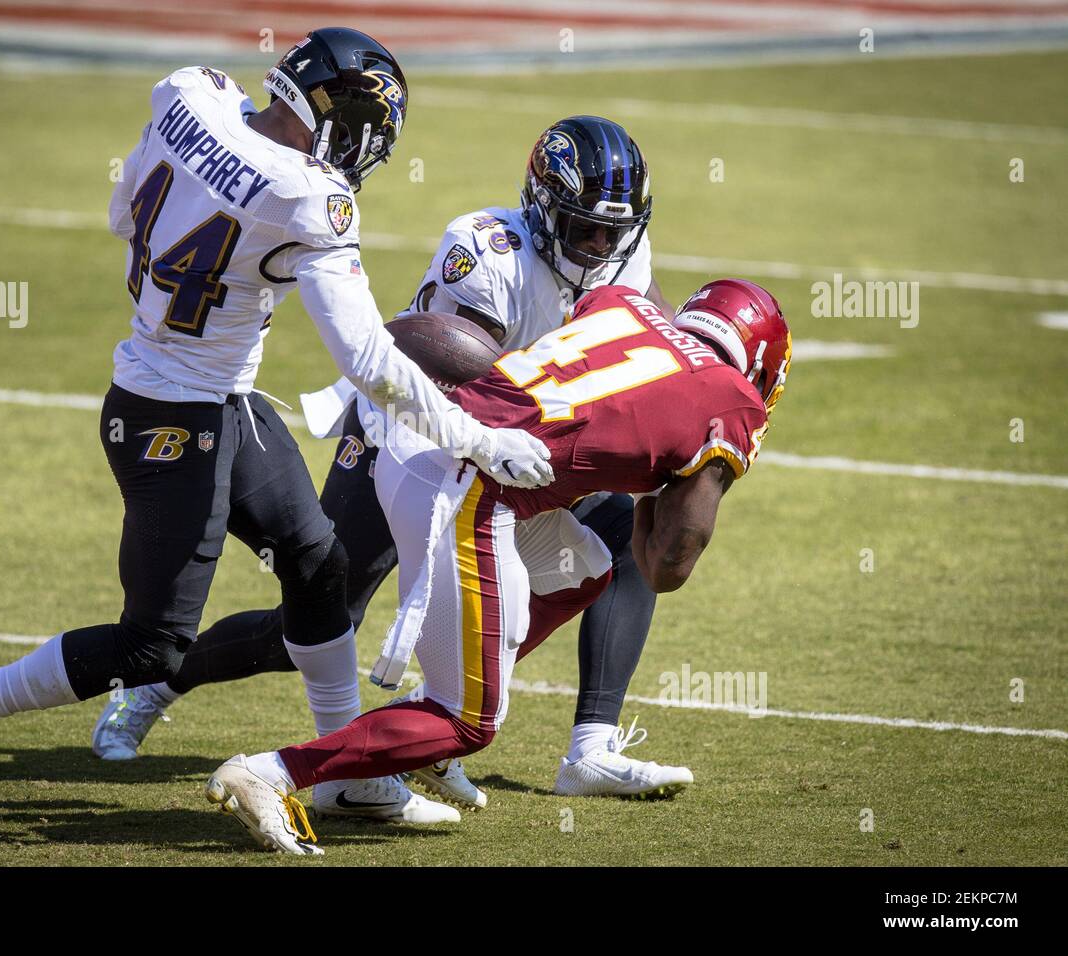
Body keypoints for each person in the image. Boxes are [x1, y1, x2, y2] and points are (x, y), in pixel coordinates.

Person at [0, 27, 555, 828]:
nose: (368, 155)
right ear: (337, 116)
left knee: (318, 563)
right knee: (149, 646)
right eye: (369, 133)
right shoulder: (311, 195)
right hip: (167, 417)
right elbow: (371, 356)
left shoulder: (190, 94)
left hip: (217, 398)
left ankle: (346, 771)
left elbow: (119, 213)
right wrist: (479, 439)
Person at [93, 116, 695, 804]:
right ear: (540, 203)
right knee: (324, 618)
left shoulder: (627, 257)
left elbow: (643, 337)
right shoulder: (488, 251)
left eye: (611, 232)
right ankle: (160, 683)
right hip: (414, 436)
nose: (599, 247)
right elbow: (467, 386)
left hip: (518, 445)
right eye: (583, 227)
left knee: (625, 535)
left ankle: (585, 746)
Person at [204, 278, 792, 854]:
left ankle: (402, 741)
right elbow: (668, 565)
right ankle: (272, 772)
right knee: (468, 724)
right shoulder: (732, 402)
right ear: (761, 366)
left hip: (436, 448)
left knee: (583, 572)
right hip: (469, 485)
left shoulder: (622, 302)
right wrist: (657, 493)